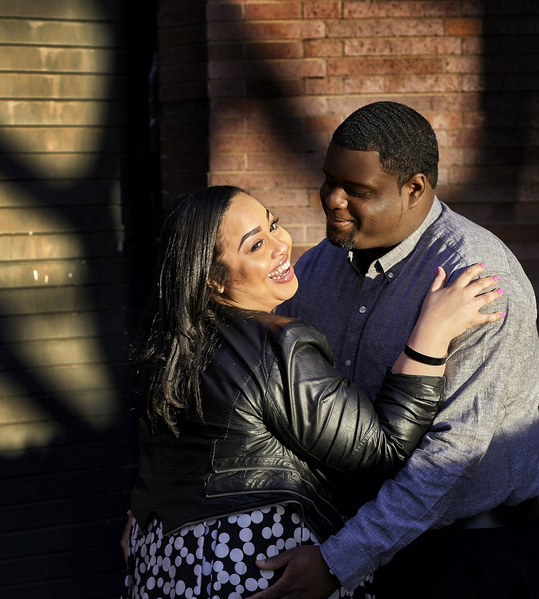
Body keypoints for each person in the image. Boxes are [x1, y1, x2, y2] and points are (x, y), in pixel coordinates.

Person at [121, 185, 503, 599]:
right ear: (213, 278)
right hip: (254, 569)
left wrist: (139, 513)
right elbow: (383, 448)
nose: (280, 245)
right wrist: (432, 334)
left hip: (162, 560)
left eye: (273, 225)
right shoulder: (276, 345)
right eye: (255, 245)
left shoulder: (170, 344)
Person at [251, 101, 539, 599]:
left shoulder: (479, 279)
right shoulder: (318, 268)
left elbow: (452, 455)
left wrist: (338, 562)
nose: (332, 200)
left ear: (415, 189)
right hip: (353, 536)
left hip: (474, 558)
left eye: (358, 191)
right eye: (328, 180)